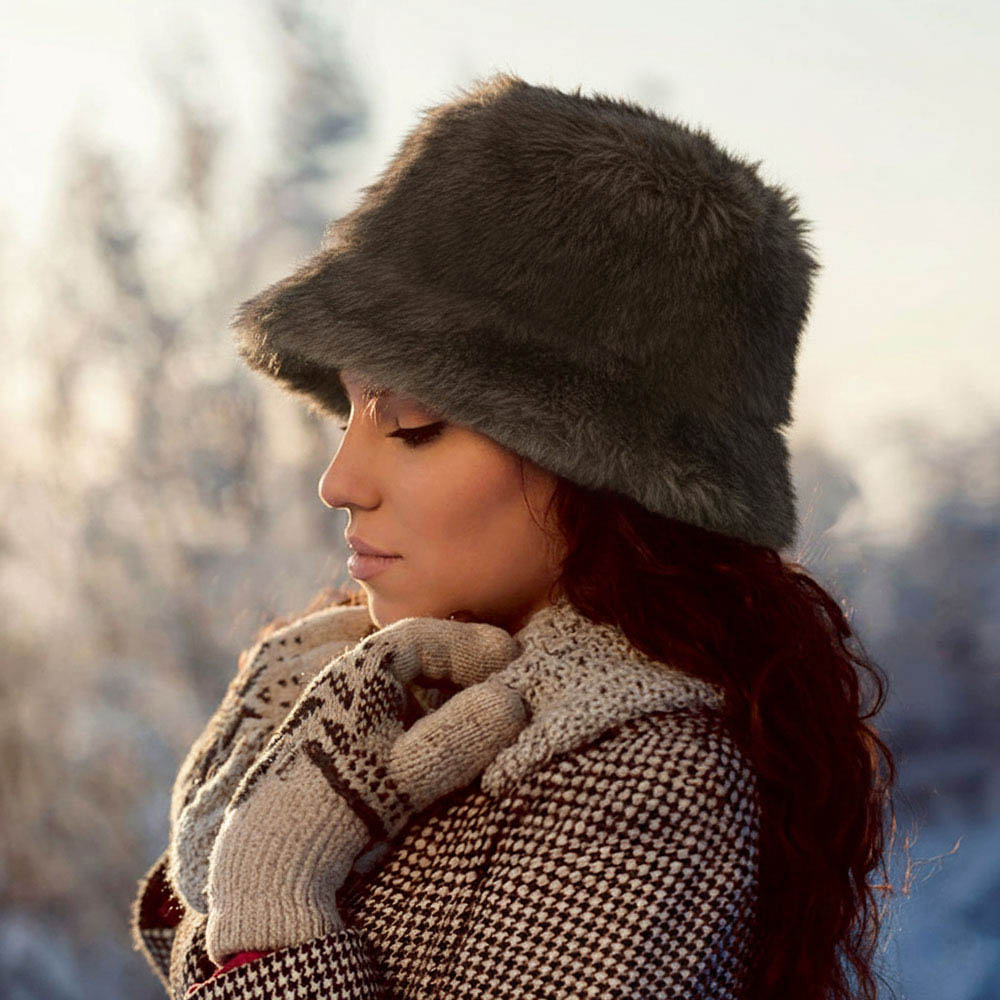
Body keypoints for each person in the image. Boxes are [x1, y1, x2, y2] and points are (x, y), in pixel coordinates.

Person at [130, 72, 901, 999]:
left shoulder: (647, 777)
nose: (340, 483)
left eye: (411, 424)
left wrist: (270, 906)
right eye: (348, 413)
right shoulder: (373, 683)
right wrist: (233, 812)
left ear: (602, 464)